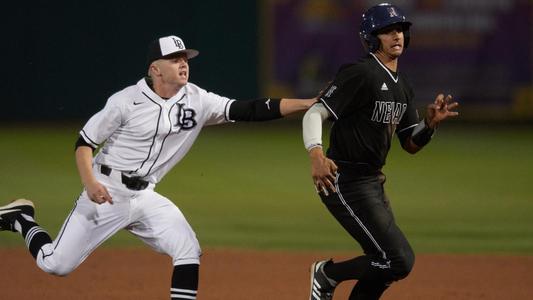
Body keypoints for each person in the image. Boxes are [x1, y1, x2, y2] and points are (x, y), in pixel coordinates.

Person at [0, 35, 316, 300]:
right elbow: (84, 143)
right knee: (55, 264)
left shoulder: (197, 99)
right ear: (155, 69)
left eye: (186, 58)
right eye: (175, 58)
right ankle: (21, 220)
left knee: (187, 248)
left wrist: (305, 104)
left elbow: (250, 109)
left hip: (145, 196)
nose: (184, 64)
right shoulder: (125, 101)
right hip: (106, 191)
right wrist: (89, 183)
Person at [303, 3, 459, 300]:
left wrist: (428, 124)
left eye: (399, 29)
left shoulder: (403, 86)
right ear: (372, 38)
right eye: (386, 31)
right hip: (343, 180)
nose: (396, 35)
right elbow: (314, 113)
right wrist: (316, 154)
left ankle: (328, 276)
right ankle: (328, 275)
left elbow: (410, 143)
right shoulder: (361, 73)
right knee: (397, 259)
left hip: (372, 182)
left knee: (390, 263)